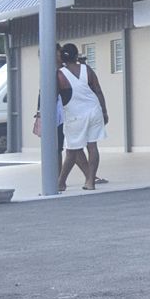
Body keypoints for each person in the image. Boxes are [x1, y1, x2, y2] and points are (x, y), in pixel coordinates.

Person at [57, 42, 108, 191]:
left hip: (75, 115)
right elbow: (98, 90)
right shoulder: (87, 69)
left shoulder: (60, 74)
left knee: (71, 150)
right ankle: (90, 181)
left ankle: (60, 182)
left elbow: (54, 95)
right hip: (94, 110)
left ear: (62, 57)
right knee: (92, 146)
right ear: (76, 55)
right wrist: (104, 111)